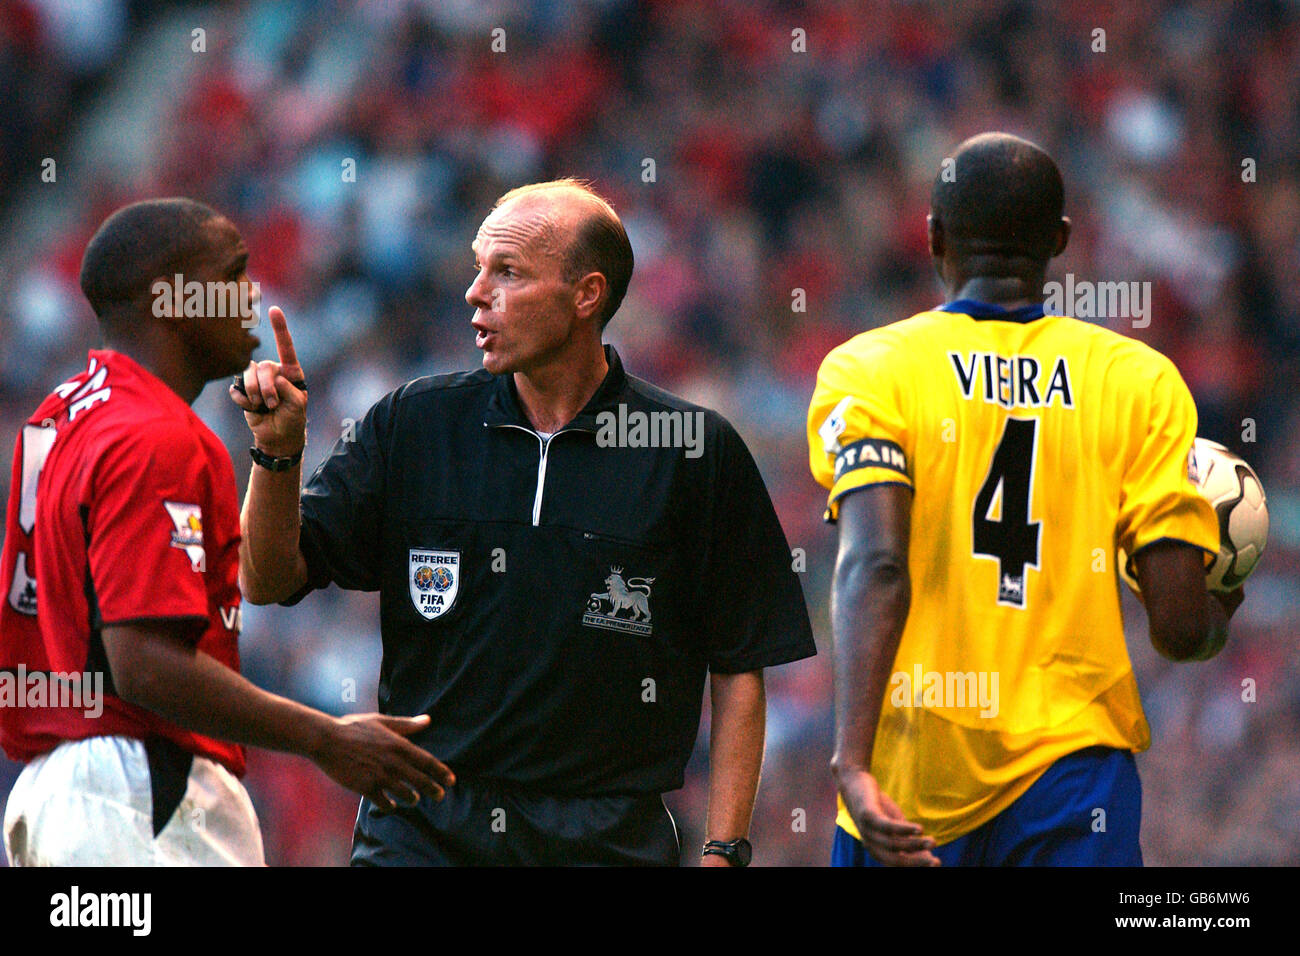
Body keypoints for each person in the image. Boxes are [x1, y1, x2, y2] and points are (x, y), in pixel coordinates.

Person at [234, 178, 817, 866]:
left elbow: (739, 666)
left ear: (586, 295)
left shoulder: (692, 451)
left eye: (506, 272)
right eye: (479, 267)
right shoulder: (413, 423)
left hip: (605, 842)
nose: (476, 292)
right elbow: (267, 579)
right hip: (422, 829)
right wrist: (277, 453)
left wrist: (724, 848)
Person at [806, 133, 1246, 867]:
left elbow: (875, 565)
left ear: (933, 236)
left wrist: (852, 761)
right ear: (1060, 240)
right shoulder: (1138, 381)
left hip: (914, 772)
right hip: (1072, 779)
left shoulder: (869, 370)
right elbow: (1177, 626)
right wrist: (1221, 605)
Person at [0, 198, 453, 866]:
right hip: (139, 792)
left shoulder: (59, 414)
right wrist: (325, 738)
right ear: (173, 297)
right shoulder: (156, 433)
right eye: (233, 274)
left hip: (62, 794)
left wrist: (275, 456)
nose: (251, 294)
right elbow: (144, 664)